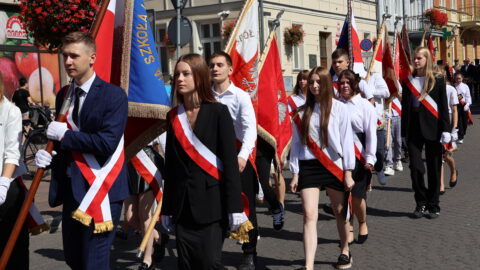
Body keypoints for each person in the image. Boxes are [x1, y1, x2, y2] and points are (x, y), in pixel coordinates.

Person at [34, 32, 129, 269]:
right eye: (65, 56)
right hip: (71, 191)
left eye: (74, 56)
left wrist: (65, 135)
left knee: (94, 263)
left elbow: (106, 143)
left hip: (102, 190)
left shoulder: (113, 95)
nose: (68, 62)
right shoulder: (64, 94)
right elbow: (64, 147)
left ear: (92, 58)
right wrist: (49, 157)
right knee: (74, 260)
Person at [161, 53, 246, 270]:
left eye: (186, 74)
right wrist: (167, 208)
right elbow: (170, 167)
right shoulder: (173, 117)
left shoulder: (218, 112)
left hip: (212, 205)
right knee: (186, 264)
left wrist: (235, 207)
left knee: (209, 263)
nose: (179, 78)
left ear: (199, 76)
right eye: (177, 74)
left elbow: (229, 163)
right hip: (182, 206)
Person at [209, 51, 273, 270]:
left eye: (219, 65)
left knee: (246, 207)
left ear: (229, 69)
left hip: (237, 160)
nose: (215, 69)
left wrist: (242, 156)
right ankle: (213, 249)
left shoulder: (240, 96)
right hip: (211, 160)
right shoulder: (205, 97)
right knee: (215, 206)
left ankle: (249, 252)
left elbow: (249, 130)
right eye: (212, 65)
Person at [290, 67, 355, 269]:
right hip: (309, 165)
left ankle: (345, 250)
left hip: (333, 164)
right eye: (311, 82)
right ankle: (308, 265)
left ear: (326, 83)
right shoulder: (301, 112)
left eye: (318, 82)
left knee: (339, 211)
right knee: (309, 214)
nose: (314, 86)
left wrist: (348, 172)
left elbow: (346, 141)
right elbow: (296, 144)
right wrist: (294, 173)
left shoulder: (340, 108)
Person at [401, 47, 450, 219]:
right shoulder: (408, 81)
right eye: (414, 58)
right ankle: (420, 203)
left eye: (419, 58)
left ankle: (434, 205)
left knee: (434, 167)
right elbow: (405, 109)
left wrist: (446, 130)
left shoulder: (437, 79)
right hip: (413, 127)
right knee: (416, 167)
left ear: (427, 59)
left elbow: (444, 106)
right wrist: (402, 133)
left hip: (433, 128)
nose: (416, 61)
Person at [337, 70, 377, 245]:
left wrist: (370, 157)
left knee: (357, 195)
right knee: (343, 194)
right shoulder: (335, 104)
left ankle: (362, 222)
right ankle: (349, 227)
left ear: (354, 85)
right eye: (342, 83)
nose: (344, 86)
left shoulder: (364, 105)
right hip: (340, 154)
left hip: (359, 153)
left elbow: (371, 134)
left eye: (348, 82)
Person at [123, 143, 168, 270]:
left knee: (145, 216)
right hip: (129, 161)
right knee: (130, 217)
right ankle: (159, 237)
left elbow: (162, 137)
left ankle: (148, 259)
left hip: (147, 161)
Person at [0, 74, 27, 269]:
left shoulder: (11, 111)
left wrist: (2, 183)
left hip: (5, 187)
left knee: (11, 252)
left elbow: (11, 153)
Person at [435, 67, 459, 193]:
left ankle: (454, 170)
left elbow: (454, 109)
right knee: (439, 154)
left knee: (447, 154)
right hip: (435, 121)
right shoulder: (431, 88)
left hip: (447, 121)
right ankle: (441, 185)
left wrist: (454, 128)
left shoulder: (450, 89)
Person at [454, 72, 472, 144]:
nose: (458, 80)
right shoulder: (453, 86)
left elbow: (468, 96)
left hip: (464, 105)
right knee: (459, 121)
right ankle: (460, 136)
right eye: (456, 78)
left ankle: (463, 133)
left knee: (464, 122)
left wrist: (467, 104)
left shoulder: (465, 86)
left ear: (462, 78)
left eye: (459, 78)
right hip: (456, 105)